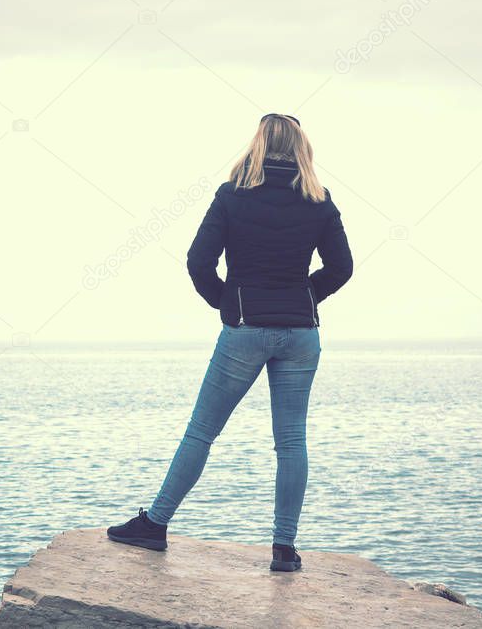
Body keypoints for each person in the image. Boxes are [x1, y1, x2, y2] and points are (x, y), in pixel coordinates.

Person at [106, 113, 353, 572]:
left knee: (202, 432)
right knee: (292, 442)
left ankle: (155, 525)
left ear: (258, 143)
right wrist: (301, 297)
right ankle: (283, 549)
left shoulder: (232, 195)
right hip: (301, 333)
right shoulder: (319, 200)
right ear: (302, 148)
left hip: (245, 328)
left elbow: (199, 262)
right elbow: (342, 268)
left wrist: (229, 303)